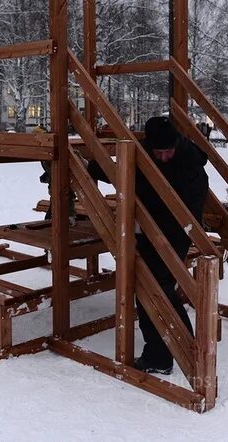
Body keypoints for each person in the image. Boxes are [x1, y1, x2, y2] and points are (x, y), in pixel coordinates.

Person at [87, 116, 209, 374]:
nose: (163, 157)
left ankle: (176, 350)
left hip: (175, 233)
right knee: (150, 290)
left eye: (168, 152)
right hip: (148, 231)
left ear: (176, 143)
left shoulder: (191, 166)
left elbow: (179, 209)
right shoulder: (143, 152)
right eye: (158, 152)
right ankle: (173, 349)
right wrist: (93, 166)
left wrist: (142, 203)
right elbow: (123, 169)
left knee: (158, 289)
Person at [33, 124, 77, 226]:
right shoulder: (43, 150)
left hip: (63, 182)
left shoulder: (49, 148)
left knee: (65, 198)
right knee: (56, 201)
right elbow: (52, 169)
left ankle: (69, 218)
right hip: (55, 183)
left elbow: (58, 167)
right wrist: (47, 175)